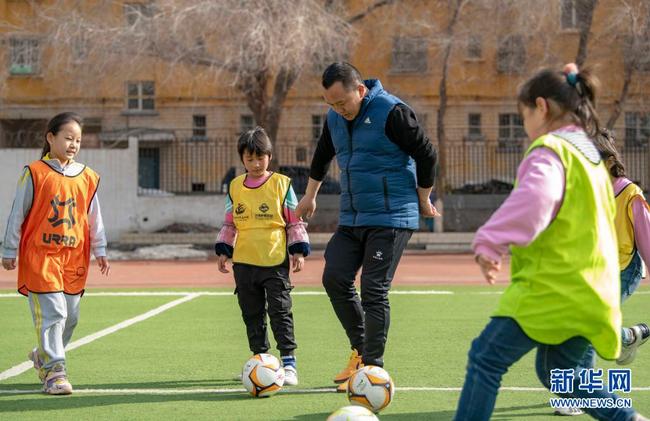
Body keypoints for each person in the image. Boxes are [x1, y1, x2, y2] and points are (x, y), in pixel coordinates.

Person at [453, 64, 647, 420]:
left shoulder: (551, 150)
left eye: (522, 115)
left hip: (553, 290)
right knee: (561, 374)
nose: (523, 125)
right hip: (592, 293)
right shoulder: (590, 155)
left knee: (485, 358)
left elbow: (536, 201)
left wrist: (490, 240)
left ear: (540, 107)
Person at [295, 62, 438, 391]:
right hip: (353, 216)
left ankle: (373, 369)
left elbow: (427, 154)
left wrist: (424, 198)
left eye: (342, 102)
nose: (338, 110)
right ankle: (361, 351)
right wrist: (309, 196)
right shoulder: (335, 118)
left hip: (390, 217)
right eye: (330, 104)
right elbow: (321, 155)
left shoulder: (392, 112)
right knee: (334, 277)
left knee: (374, 291)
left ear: (360, 90)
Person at [1, 112, 110, 395]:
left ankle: (42, 354)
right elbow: (17, 214)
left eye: (78, 140)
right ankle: (54, 372)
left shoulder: (87, 177)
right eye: (68, 138)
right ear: (50, 137)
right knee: (54, 313)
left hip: (74, 258)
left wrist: (100, 248)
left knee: (70, 317)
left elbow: (93, 217)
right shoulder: (35, 172)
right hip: (42, 256)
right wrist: (9, 249)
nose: (73, 144)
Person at [215, 126, 309, 386]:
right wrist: (224, 250)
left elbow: (294, 221)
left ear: (270, 155)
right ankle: (260, 362)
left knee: (280, 312)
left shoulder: (282, 184)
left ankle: (289, 364)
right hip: (244, 264)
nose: (256, 164)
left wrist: (298, 250)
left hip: (274, 261)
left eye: (260, 157)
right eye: (250, 159)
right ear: (242, 159)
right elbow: (228, 224)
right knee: (252, 314)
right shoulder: (235, 187)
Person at [593, 129, 649, 365]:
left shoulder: (630, 193)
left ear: (609, 161)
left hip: (625, 270)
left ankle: (577, 392)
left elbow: (646, 236)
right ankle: (628, 337)